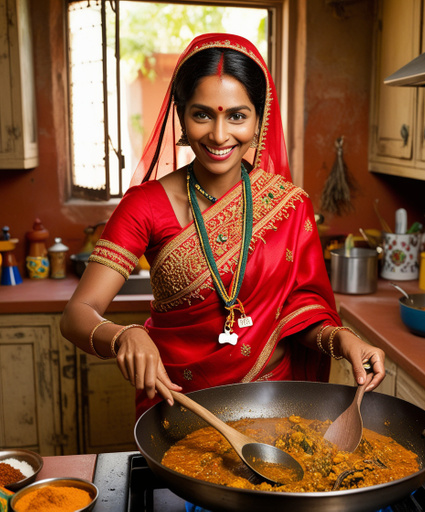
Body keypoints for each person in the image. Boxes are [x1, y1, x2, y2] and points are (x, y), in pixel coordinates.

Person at [60, 33, 386, 420]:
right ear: (181, 115)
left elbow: (301, 314)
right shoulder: (145, 205)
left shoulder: (288, 206)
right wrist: (123, 335)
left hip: (276, 408)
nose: (218, 135)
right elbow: (77, 313)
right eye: (202, 114)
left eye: (237, 115)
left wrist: (342, 339)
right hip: (178, 405)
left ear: (259, 119)